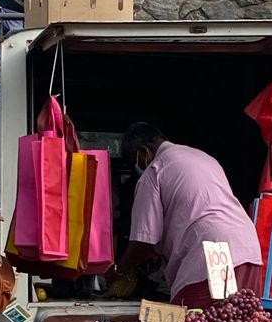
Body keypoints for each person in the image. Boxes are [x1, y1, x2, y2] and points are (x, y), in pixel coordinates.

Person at [109, 123, 262, 308]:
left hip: (213, 253)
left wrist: (117, 270)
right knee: (238, 319)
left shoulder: (154, 170)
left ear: (143, 152)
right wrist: (158, 255)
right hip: (246, 248)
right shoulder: (203, 158)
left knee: (195, 321)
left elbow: (142, 242)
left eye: (135, 161)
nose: (137, 167)